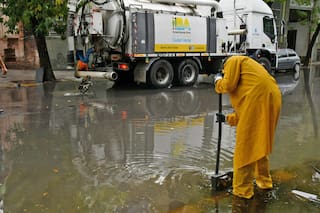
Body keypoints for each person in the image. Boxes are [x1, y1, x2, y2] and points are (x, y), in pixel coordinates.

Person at [214, 55, 282, 199]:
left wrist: (218, 81)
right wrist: (226, 118)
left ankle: (242, 191)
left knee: (245, 148)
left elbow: (228, 85)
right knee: (259, 142)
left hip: (259, 99)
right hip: (272, 97)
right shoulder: (250, 74)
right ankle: (264, 182)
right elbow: (245, 115)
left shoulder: (232, 61)